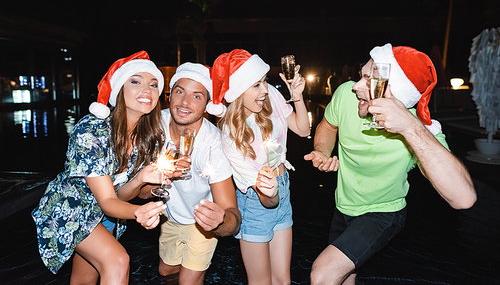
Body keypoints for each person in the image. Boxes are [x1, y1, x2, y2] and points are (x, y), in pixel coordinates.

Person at [304, 43, 477, 285]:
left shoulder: (419, 129)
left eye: (368, 80)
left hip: (383, 212)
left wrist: (410, 127)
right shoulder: (346, 94)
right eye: (361, 76)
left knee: (323, 273)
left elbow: (464, 198)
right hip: (343, 206)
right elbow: (328, 124)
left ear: (396, 94)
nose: (355, 86)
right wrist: (321, 150)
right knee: (344, 277)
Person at [31, 51, 168, 284]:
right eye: (135, 81)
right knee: (117, 261)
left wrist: (141, 179)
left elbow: (121, 195)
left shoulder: (146, 136)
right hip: (71, 210)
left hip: (106, 216)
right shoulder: (92, 130)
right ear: (119, 90)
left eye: (154, 84)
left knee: (84, 279)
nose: (147, 89)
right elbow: (108, 201)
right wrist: (137, 213)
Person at [207, 49, 311, 285]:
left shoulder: (270, 96)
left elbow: (303, 130)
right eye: (256, 85)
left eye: (264, 81)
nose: (265, 89)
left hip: (283, 187)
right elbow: (267, 199)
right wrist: (273, 193)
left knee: (283, 281)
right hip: (257, 201)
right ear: (238, 91)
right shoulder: (229, 136)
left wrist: (298, 96)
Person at [140, 62, 241, 285]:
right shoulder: (152, 124)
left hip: (201, 221)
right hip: (169, 215)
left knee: (188, 281)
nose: (185, 103)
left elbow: (233, 214)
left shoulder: (214, 143)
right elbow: (139, 190)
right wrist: (157, 182)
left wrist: (219, 222)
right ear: (169, 95)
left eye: (197, 96)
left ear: (207, 105)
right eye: (180, 91)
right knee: (166, 272)